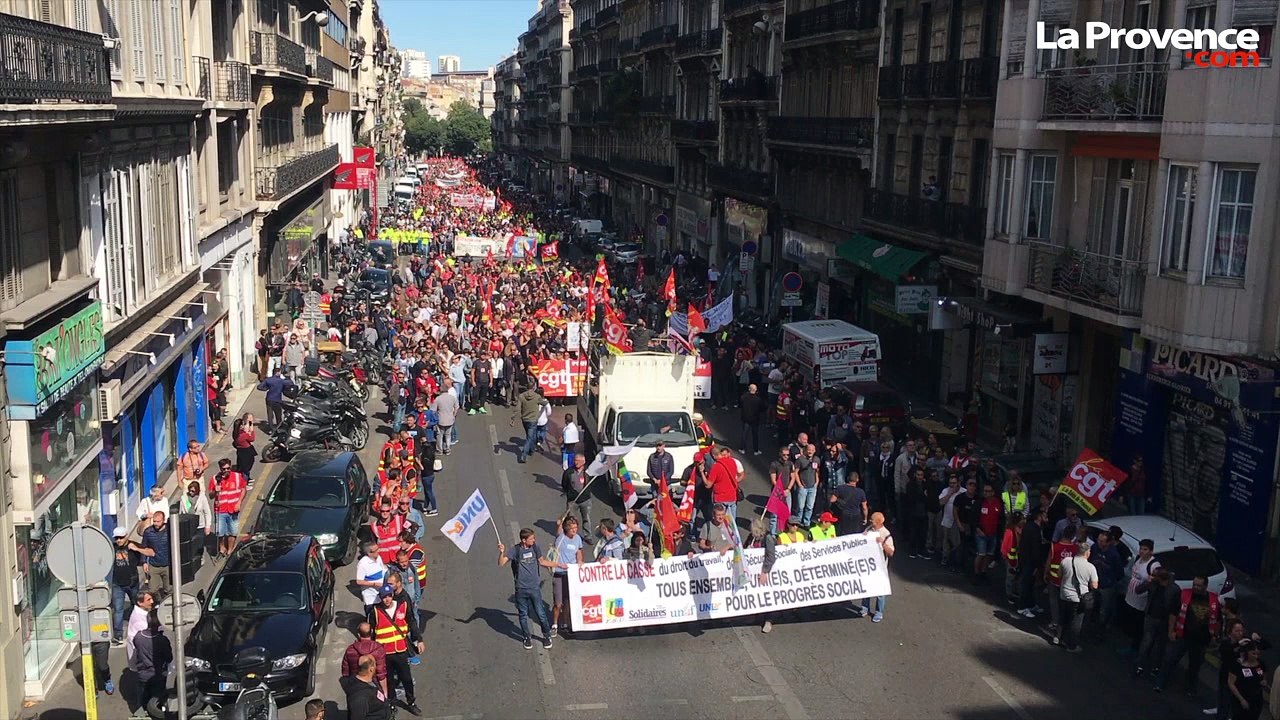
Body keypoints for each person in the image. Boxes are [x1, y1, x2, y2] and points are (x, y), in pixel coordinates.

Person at [1156, 575, 1221, 696]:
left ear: (1205, 586)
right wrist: (1171, 631)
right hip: (1182, 635)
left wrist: (1214, 636)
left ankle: (1191, 688)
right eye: (1194, 584)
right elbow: (1173, 614)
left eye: (1199, 585)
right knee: (1170, 659)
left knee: (1195, 665)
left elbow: (1217, 620)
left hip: (1201, 640)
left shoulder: (1213, 600)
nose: (1195, 587)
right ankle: (1161, 682)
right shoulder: (1183, 594)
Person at [498, 528, 562, 649]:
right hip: (521, 589)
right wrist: (502, 552)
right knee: (523, 614)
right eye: (531, 538)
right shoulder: (515, 550)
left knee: (540, 613)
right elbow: (501, 563)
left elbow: (542, 562)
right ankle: (527, 637)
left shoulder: (535, 548)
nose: (534, 540)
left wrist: (558, 565)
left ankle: (546, 635)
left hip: (534, 588)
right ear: (523, 540)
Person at [371, 583, 423, 716]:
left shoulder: (402, 606)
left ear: (392, 595)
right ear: (380, 598)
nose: (387, 599)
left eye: (389, 596)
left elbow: (411, 622)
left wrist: (419, 639)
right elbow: (372, 635)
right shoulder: (375, 612)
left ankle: (411, 702)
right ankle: (391, 704)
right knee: (389, 681)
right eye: (384, 597)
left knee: (407, 679)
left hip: (400, 651)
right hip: (385, 654)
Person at [1135, 567, 1178, 679]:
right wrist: (1147, 582)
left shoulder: (1174, 589)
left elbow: (1174, 610)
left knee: (1159, 646)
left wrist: (1171, 628)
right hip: (1150, 617)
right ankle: (1140, 665)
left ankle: (1155, 667)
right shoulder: (1153, 584)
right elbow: (1138, 590)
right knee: (1146, 642)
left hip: (1164, 621)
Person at [1056, 541, 1098, 652]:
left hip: (1064, 594)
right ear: (1087, 553)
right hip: (1079, 598)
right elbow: (1094, 585)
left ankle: (1057, 637)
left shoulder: (1066, 560)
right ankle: (1072, 645)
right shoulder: (1090, 567)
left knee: (1062, 617)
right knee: (1076, 622)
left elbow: (1059, 574)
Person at [133, 609, 172, 714]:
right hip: (158, 676)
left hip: (142, 675)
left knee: (142, 703)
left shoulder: (138, 636)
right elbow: (169, 658)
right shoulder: (162, 640)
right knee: (158, 706)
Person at [550, 516, 584, 635]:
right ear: (566, 529)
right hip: (559, 573)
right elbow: (559, 528)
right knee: (558, 603)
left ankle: (565, 623)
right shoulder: (561, 537)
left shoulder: (578, 538)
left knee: (568, 600)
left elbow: (579, 552)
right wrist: (559, 523)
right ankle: (554, 624)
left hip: (571, 574)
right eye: (572, 528)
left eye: (576, 528)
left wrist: (579, 560)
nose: (574, 530)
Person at [859, 512, 894, 622]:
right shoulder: (869, 529)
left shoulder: (886, 534)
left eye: (872, 520)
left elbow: (891, 553)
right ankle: (865, 607)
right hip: (869, 566)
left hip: (880, 569)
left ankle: (879, 612)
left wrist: (883, 543)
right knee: (867, 587)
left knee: (880, 592)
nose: (870, 521)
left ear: (879, 522)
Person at [746, 517, 779, 633]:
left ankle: (768, 620)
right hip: (754, 572)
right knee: (756, 594)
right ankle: (756, 615)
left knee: (767, 595)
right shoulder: (752, 538)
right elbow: (745, 548)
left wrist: (765, 572)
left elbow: (771, 557)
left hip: (766, 572)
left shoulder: (768, 538)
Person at [210, 458, 248, 558]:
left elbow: (243, 489)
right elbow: (210, 495)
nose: (226, 470)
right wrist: (215, 491)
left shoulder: (237, 476)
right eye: (224, 469)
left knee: (233, 531)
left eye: (228, 468)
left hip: (233, 509)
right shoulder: (215, 479)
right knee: (220, 532)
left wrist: (239, 502)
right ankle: (222, 547)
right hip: (220, 510)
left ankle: (230, 549)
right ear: (220, 469)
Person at [111, 527, 141, 646]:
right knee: (118, 610)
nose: (118, 540)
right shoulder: (112, 547)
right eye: (116, 538)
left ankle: (137, 630)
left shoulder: (133, 546)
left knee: (136, 606)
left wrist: (137, 549)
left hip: (132, 583)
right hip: (117, 583)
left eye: (121, 537)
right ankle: (118, 635)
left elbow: (147, 553)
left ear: (126, 536)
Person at [341, 622, 388, 696]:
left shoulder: (351, 650)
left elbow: (346, 672)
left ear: (358, 634)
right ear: (371, 633)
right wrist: (384, 692)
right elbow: (381, 673)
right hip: (374, 684)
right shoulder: (378, 649)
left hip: (356, 685)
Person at [342, 654, 393, 720]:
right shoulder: (359, 697)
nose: (376, 667)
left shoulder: (369, 680)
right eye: (375, 664)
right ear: (371, 669)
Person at [1016, 509, 1047, 618]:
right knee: (1027, 583)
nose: (1046, 516)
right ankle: (1022, 607)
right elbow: (1035, 548)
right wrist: (1037, 564)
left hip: (1027, 560)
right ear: (1039, 516)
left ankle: (1030, 604)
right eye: (1044, 514)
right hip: (1030, 561)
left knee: (1030, 583)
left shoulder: (1031, 527)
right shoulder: (1034, 529)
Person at [1228, 639, 1268, 720]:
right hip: (1241, 698)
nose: (1256, 656)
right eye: (1253, 653)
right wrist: (1241, 699)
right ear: (1247, 652)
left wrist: (1264, 681)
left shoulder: (1261, 663)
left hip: (1256, 699)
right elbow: (1231, 683)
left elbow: (1265, 674)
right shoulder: (1238, 665)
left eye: (1258, 654)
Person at [138, 511, 171, 597]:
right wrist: (144, 562)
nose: (156, 523)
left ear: (163, 520)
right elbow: (144, 547)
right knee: (152, 590)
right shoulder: (148, 532)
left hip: (167, 565)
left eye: (158, 521)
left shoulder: (170, 530)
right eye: (154, 521)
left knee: (168, 589)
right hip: (154, 565)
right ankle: (155, 608)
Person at [355, 541, 388, 624]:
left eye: (378, 549)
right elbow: (359, 581)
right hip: (371, 598)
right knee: (372, 620)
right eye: (376, 550)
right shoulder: (363, 564)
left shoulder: (378, 558)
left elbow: (382, 569)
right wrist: (374, 584)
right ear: (369, 553)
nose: (378, 551)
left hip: (381, 594)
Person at [179, 480, 213, 557]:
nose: (191, 493)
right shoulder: (184, 498)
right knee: (189, 544)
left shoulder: (202, 498)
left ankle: (200, 558)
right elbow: (181, 512)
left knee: (199, 544)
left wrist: (208, 526)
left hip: (200, 525)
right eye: (190, 490)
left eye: (193, 491)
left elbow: (207, 512)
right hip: (188, 525)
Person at [561, 453, 592, 534]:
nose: (576, 462)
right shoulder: (569, 472)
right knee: (571, 520)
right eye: (575, 460)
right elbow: (564, 484)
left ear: (583, 461)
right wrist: (569, 493)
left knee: (586, 519)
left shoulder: (588, 472)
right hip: (572, 501)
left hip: (585, 500)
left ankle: (587, 535)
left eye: (578, 461)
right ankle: (571, 534)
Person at [830, 472, 868, 536]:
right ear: (857, 480)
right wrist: (865, 518)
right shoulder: (861, 492)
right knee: (856, 535)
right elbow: (864, 507)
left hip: (844, 514)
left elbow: (832, 500)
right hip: (856, 515)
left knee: (844, 534)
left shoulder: (840, 488)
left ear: (848, 478)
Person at [1001, 512, 1024, 605]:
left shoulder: (1020, 530)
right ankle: (1009, 594)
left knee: (1016, 576)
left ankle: (1014, 592)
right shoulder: (1009, 532)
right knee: (1010, 577)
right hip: (1010, 558)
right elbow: (1004, 546)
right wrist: (1005, 556)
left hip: (1017, 558)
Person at [739, 383, 765, 455]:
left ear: (749, 389)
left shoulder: (743, 397)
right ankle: (756, 450)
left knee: (744, 434)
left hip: (745, 418)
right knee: (755, 435)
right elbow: (762, 408)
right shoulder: (758, 399)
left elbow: (740, 405)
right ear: (756, 390)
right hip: (755, 419)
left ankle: (742, 448)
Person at [232, 414, 257, 482]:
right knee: (246, 468)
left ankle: (248, 478)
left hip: (240, 451)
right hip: (246, 452)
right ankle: (244, 483)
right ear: (240, 426)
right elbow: (252, 438)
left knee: (243, 466)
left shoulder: (236, 434)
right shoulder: (243, 435)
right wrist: (251, 431)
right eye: (242, 424)